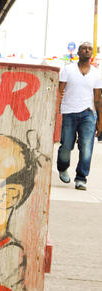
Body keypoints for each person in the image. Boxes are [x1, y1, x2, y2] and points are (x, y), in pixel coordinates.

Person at [57, 42, 102, 190]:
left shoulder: (96, 73)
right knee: (66, 146)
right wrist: (57, 110)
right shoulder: (68, 70)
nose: (87, 50)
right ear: (79, 52)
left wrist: (100, 121)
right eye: (84, 48)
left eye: (90, 49)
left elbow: (97, 98)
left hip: (88, 114)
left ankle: (81, 178)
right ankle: (62, 167)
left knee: (86, 147)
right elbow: (59, 92)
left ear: (92, 53)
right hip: (69, 112)